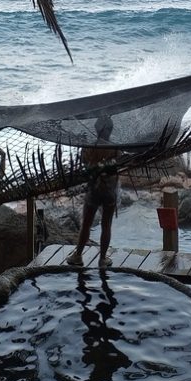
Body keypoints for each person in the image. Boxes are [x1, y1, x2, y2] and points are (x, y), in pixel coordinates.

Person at [66, 115, 119, 270]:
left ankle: (78, 255)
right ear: (110, 130)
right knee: (106, 225)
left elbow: (84, 164)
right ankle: (103, 259)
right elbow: (118, 164)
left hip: (93, 190)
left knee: (86, 224)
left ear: (96, 129)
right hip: (110, 191)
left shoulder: (89, 147)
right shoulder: (115, 147)